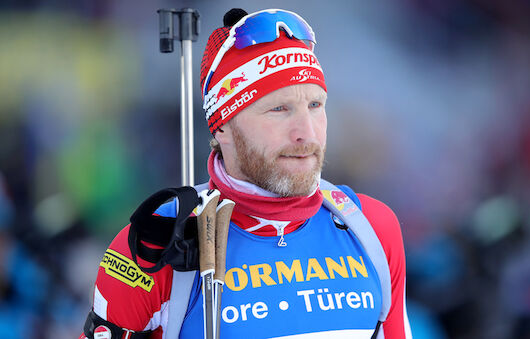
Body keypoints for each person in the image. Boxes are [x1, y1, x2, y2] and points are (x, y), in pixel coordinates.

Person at [81, 8, 411, 339]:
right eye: (279, 109)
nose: (306, 133)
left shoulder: (370, 228)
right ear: (222, 124)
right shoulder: (161, 242)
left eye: (315, 105)